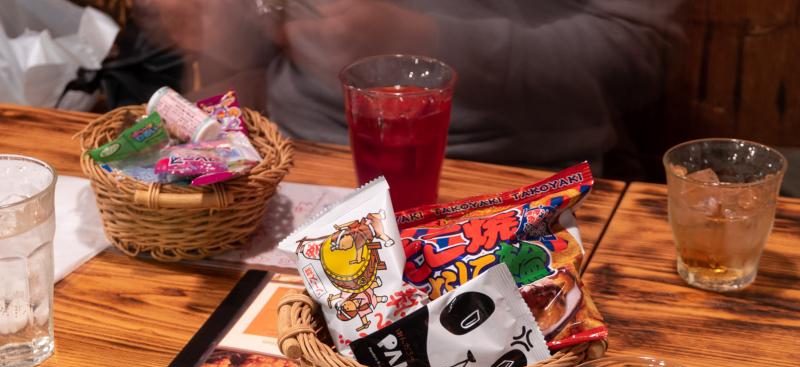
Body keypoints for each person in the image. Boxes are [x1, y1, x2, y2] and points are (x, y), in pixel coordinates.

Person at [133, 0, 684, 174]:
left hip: (511, 178)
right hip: (291, 157)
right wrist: (222, 19)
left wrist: (427, 41)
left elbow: (636, 55)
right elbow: (248, 36)